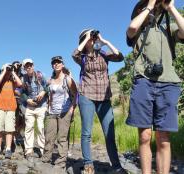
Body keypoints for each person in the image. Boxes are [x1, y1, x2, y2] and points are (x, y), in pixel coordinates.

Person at [126, 0, 184, 173]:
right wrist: (149, 6)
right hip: (143, 81)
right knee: (145, 136)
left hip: (168, 83)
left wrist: (171, 7)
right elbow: (131, 29)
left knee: (163, 137)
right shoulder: (138, 29)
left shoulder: (168, 27)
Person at [72, 29, 127, 174]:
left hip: (104, 98)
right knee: (86, 133)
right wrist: (86, 38)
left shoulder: (103, 54)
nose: (93, 39)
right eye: (90, 37)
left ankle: (116, 166)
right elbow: (74, 54)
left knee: (109, 133)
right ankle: (88, 164)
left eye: (93, 36)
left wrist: (105, 42)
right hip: (87, 96)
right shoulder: (82, 57)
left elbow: (120, 57)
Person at [41, 56, 77, 169]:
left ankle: (61, 161)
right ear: (52, 65)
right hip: (52, 112)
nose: (56, 64)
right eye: (54, 63)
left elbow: (76, 94)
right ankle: (46, 158)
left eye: (58, 62)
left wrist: (72, 109)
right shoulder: (50, 81)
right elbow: (48, 95)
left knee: (62, 137)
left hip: (64, 112)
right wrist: (47, 107)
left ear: (62, 64)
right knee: (49, 136)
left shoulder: (68, 79)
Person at [0, 63, 22, 159]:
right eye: (6, 70)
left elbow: (20, 84)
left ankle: (8, 149)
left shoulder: (12, 81)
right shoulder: (0, 80)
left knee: (9, 129)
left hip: (11, 108)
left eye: (8, 70)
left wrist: (13, 71)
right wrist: (4, 70)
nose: (8, 71)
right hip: (0, 107)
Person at [20, 58, 48, 158]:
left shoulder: (40, 75)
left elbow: (48, 86)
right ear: (24, 68)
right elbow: (21, 92)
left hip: (41, 106)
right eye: (27, 66)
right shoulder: (23, 78)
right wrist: (27, 100)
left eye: (30, 65)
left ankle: (41, 149)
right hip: (30, 106)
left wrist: (43, 92)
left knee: (40, 127)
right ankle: (28, 149)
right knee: (29, 128)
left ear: (33, 65)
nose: (29, 67)